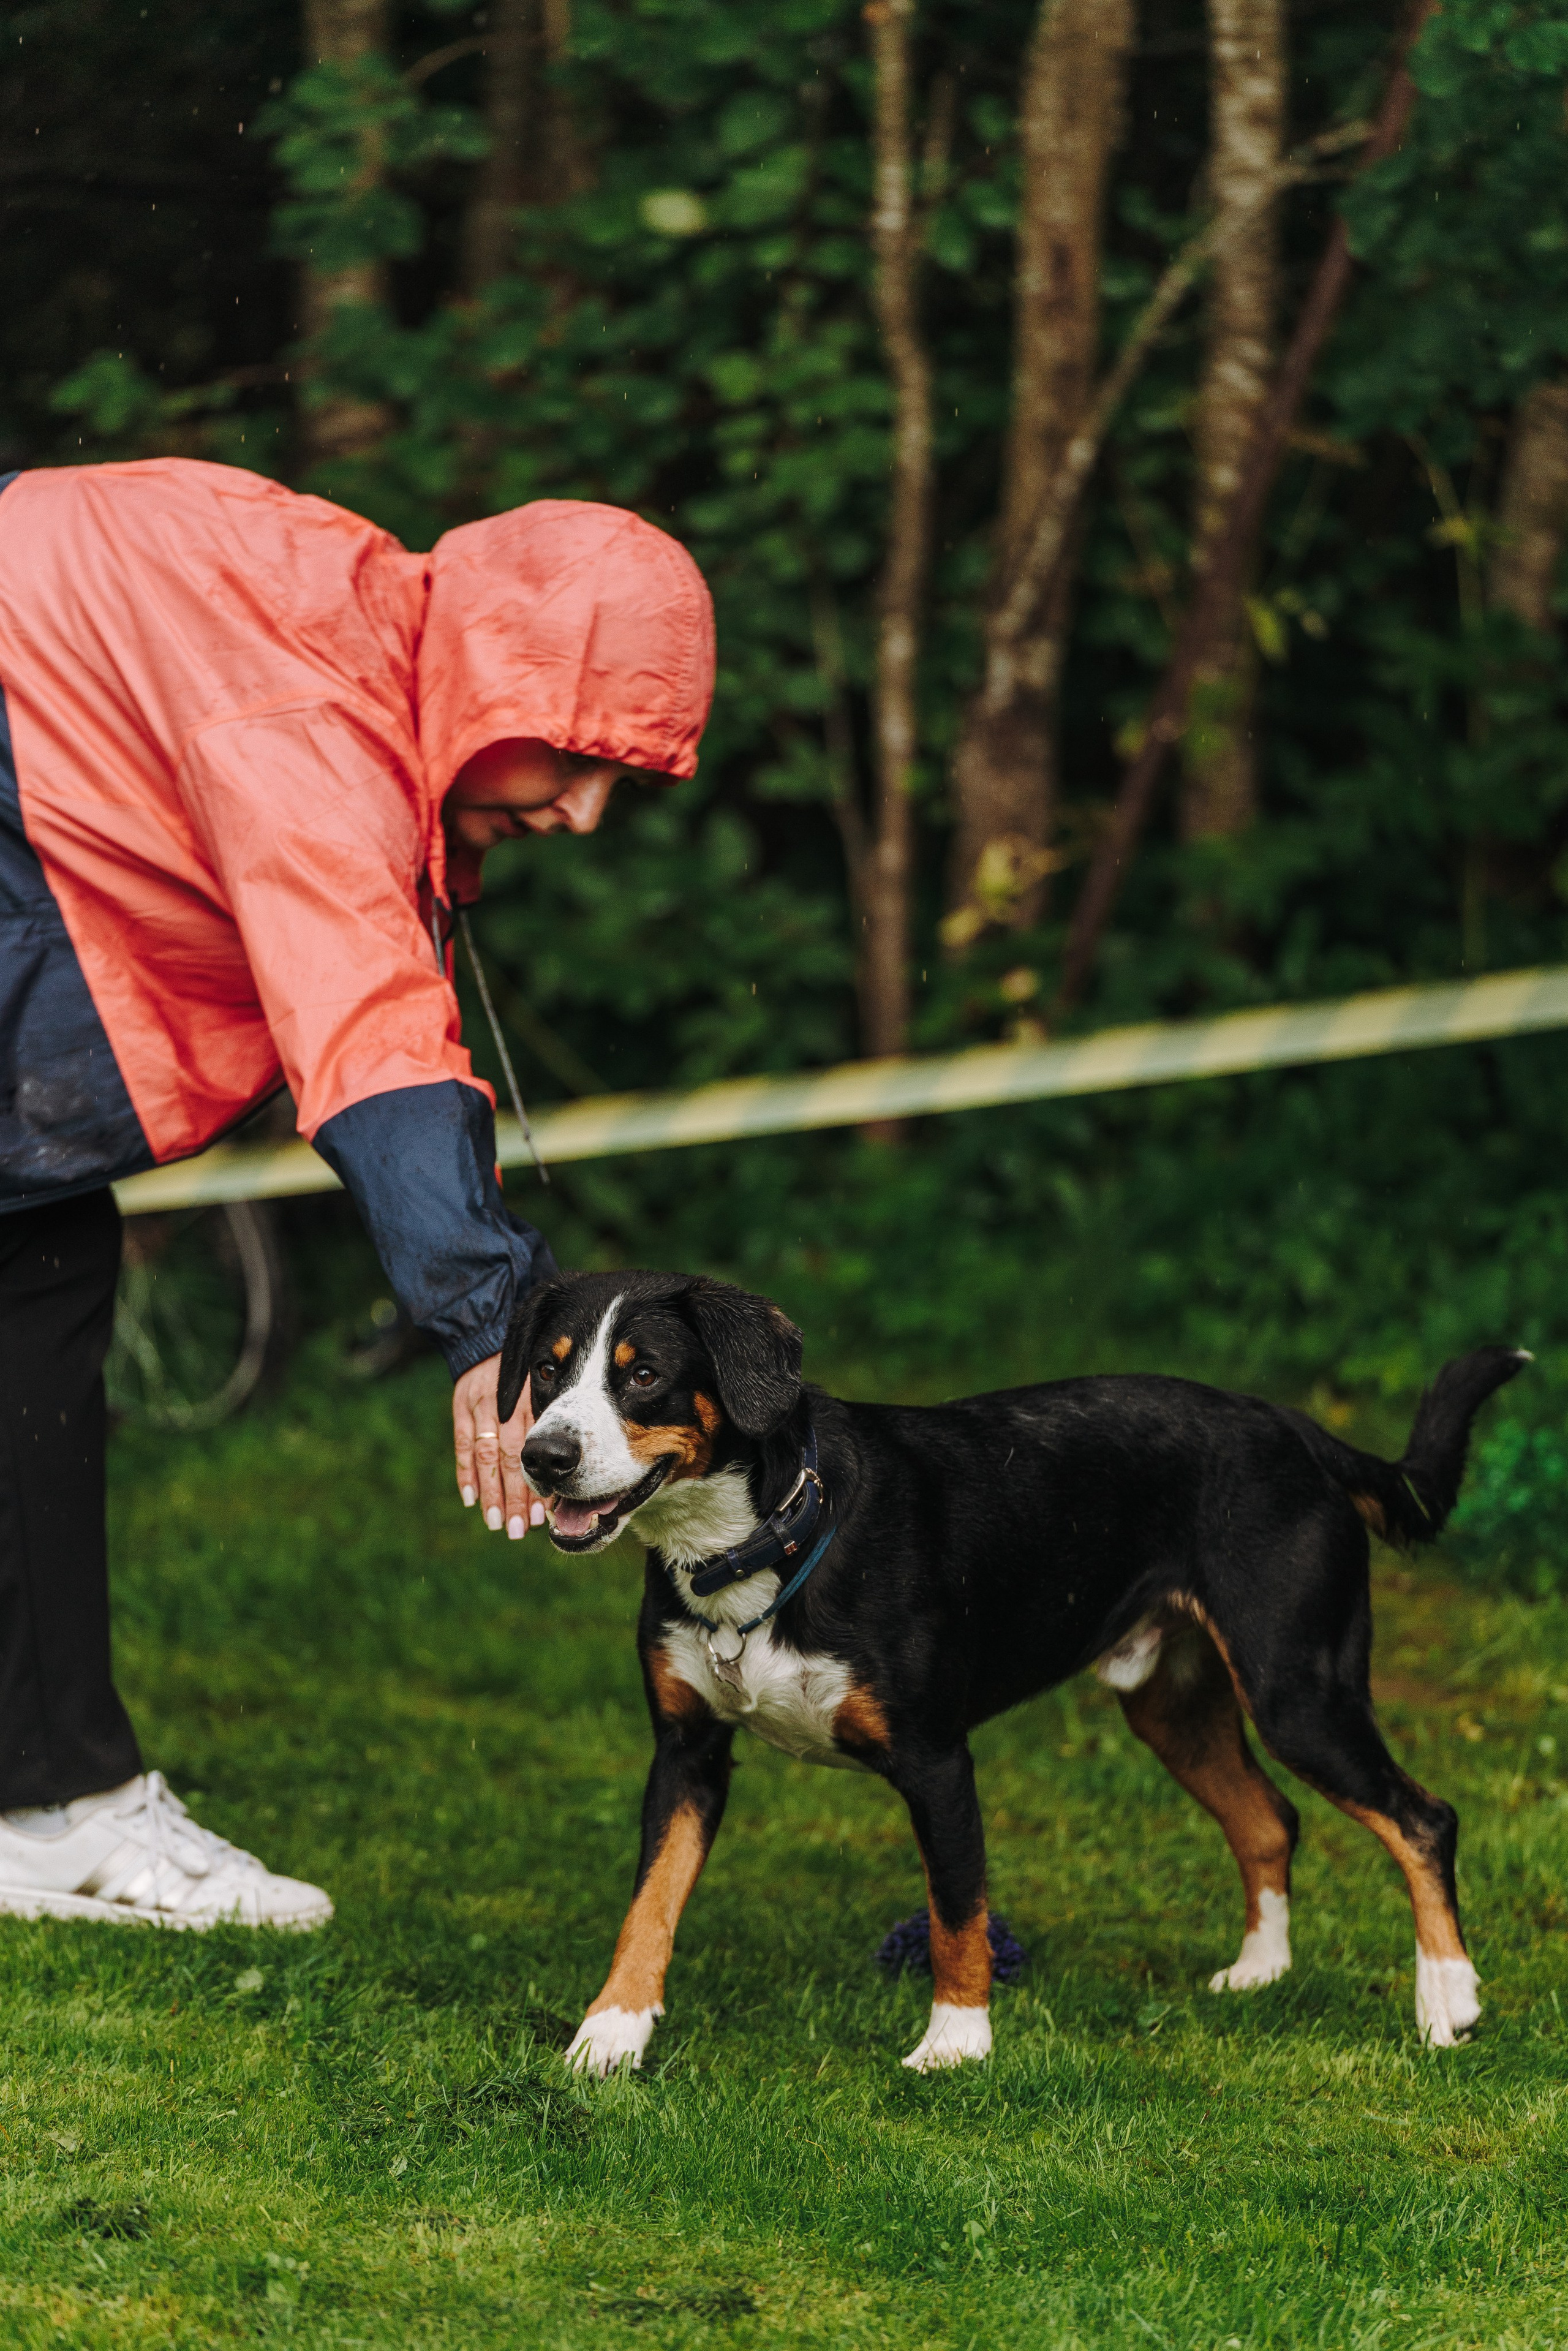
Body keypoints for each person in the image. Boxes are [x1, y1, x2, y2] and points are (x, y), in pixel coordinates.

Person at [0, 457, 714, 1928]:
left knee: (33, 1260)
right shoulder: (310, 705)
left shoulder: (344, 626)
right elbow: (367, 1020)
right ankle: (58, 1802)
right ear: (496, 676)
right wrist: (492, 1323)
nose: (585, 814)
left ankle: (49, 1796)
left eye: (624, 784)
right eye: (573, 757)